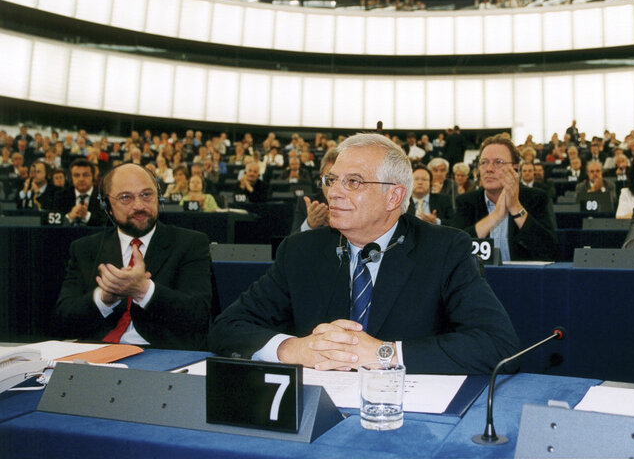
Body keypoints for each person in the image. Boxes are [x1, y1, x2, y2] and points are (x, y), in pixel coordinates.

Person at [209, 133, 520, 374]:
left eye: (353, 182)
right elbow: (227, 327)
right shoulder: (300, 251)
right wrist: (292, 349)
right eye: (331, 181)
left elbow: (498, 343)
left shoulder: (444, 249)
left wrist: (385, 353)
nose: (333, 192)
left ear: (393, 196)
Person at [55, 163, 213, 350]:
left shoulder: (191, 243)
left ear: (158, 197)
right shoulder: (84, 249)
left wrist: (144, 290)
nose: (139, 205)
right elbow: (62, 321)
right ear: (107, 206)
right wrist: (103, 299)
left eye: (146, 195)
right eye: (126, 198)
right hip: (99, 354)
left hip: (162, 356)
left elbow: (199, 316)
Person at [452, 134, 558, 261]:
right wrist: (495, 217)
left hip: (522, 278)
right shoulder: (467, 202)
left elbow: (550, 251)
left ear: (515, 168)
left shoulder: (536, 198)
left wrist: (516, 208)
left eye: (498, 162)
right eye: (484, 163)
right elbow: (454, 250)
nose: (489, 169)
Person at [290, 148, 338, 234]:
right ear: (321, 179)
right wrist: (309, 225)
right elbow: (291, 245)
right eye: (329, 179)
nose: (333, 188)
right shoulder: (307, 204)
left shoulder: (355, 205)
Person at [53, 158, 105, 226]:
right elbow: (53, 224)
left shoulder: (104, 195)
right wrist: (69, 217)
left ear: (93, 176)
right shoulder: (60, 195)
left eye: (85, 175)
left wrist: (87, 216)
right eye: (76, 175)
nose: (81, 179)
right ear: (71, 178)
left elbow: (107, 223)